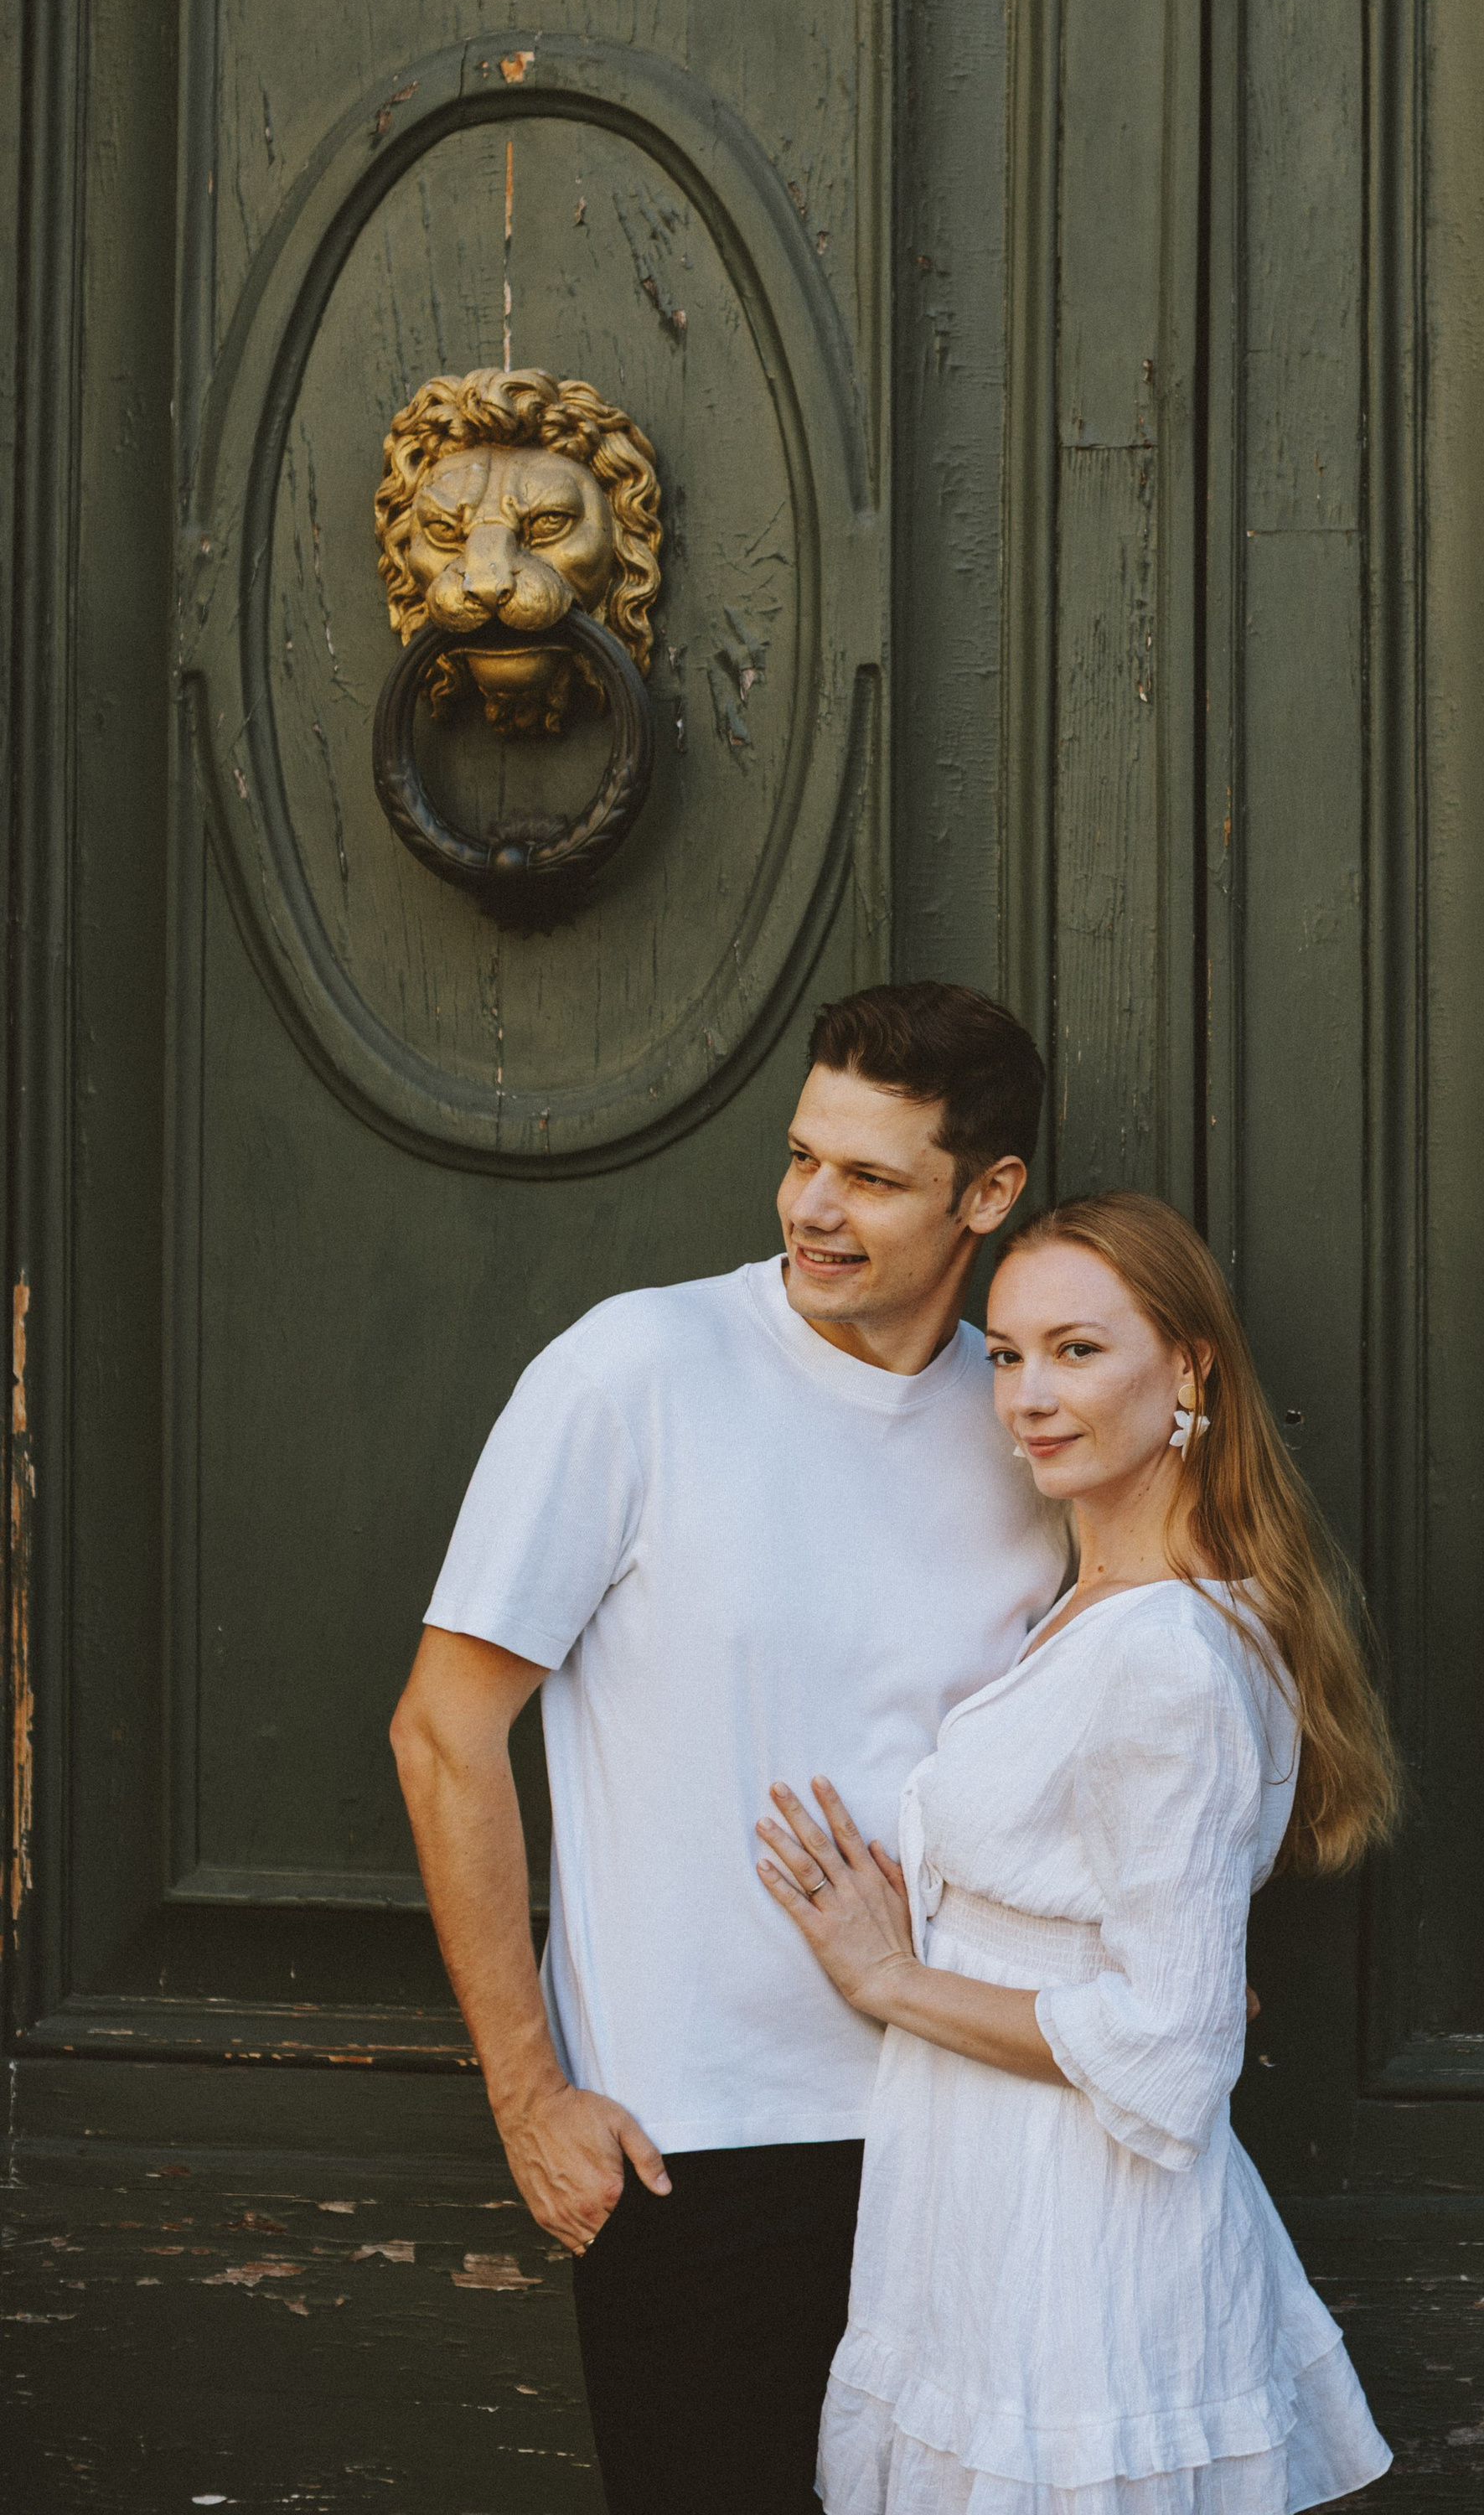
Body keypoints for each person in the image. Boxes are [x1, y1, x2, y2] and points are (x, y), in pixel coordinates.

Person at [389, 983, 1072, 2515]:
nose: (813, 1210)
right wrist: (529, 2095)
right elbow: (445, 1734)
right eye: (803, 1158)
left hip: (969, 2130)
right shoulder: (633, 1374)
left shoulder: (1031, 1422)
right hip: (693, 2150)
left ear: (992, 1192)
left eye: (873, 1179)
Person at [757, 1189, 1399, 2514]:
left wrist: (889, 1981)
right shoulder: (1103, 1603)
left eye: (1077, 1350)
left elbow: (1172, 2044)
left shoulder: (1164, 1652)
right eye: (1004, 1353)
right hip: (990, 2204)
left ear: (1189, 1366)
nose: (1027, 1395)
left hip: (1075, 2244)